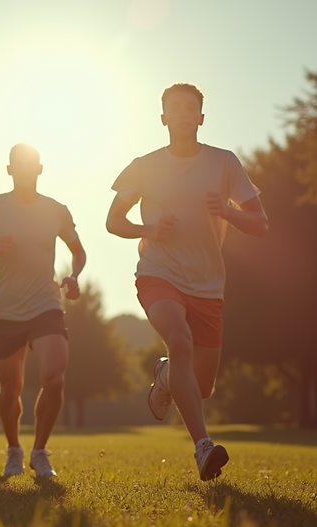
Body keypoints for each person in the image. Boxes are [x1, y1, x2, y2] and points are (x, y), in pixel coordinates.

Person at [106, 83, 268, 481]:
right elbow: (113, 221)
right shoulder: (143, 166)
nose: (182, 113)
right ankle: (202, 447)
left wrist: (228, 212)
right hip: (158, 272)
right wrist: (150, 228)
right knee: (178, 338)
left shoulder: (224, 163)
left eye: (189, 107)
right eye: (174, 107)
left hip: (209, 286)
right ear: (163, 117)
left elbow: (261, 224)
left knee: (202, 387)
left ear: (201, 117)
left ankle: (165, 376)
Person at [0, 143, 86, 477]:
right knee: (10, 389)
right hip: (6, 310)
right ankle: (14, 449)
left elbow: (78, 251)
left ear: (39, 169)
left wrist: (73, 275)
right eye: (19, 165)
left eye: (31, 165)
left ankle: (40, 452)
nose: (25, 170)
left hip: (46, 303)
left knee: (54, 379)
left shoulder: (57, 210)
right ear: (10, 170)